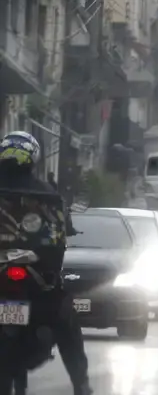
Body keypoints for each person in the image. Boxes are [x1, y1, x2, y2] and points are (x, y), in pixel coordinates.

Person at [0, 131, 91, 395]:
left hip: (30, 280)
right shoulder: (46, 193)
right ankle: (81, 385)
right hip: (37, 282)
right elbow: (61, 232)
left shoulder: (47, 193)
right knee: (67, 321)